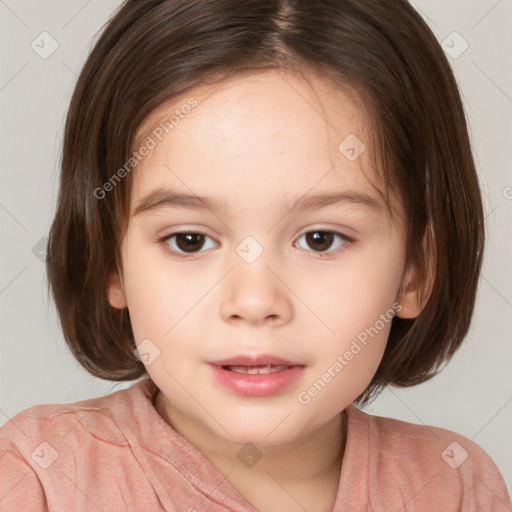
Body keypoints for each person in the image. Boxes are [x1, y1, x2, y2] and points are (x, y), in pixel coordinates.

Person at [1, 0, 510, 510]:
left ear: (414, 272)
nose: (254, 301)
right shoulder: (38, 478)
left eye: (320, 239)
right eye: (190, 240)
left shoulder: (455, 486)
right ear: (111, 262)